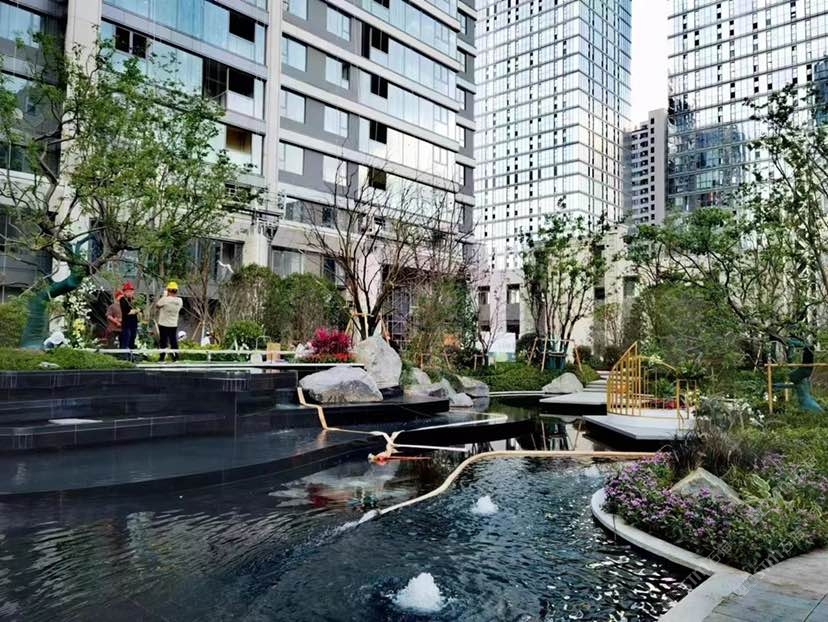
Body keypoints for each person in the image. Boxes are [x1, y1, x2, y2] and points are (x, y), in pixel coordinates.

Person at [155, 281, 183, 362]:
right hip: (173, 324)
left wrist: (164, 296)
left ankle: (162, 358)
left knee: (163, 341)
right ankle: (176, 357)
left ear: (168, 290)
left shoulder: (165, 299)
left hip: (163, 324)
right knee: (173, 341)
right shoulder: (180, 300)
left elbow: (157, 305)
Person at [119, 282, 139, 350]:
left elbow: (139, 309)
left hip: (134, 322)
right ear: (124, 292)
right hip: (126, 323)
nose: (129, 293)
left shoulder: (134, 300)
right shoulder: (122, 299)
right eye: (127, 291)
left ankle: (131, 353)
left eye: (131, 291)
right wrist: (135, 311)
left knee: (133, 337)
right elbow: (127, 311)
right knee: (127, 337)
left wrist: (137, 310)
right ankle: (124, 353)